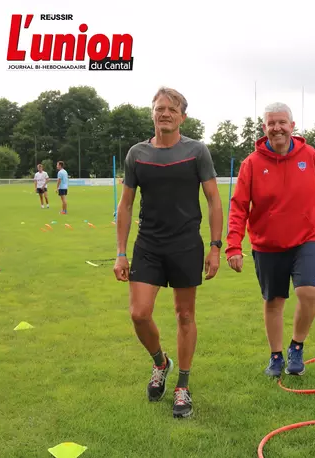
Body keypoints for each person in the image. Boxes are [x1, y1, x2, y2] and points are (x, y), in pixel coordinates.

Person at [113, 86, 223, 419]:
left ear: (182, 117)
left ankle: (182, 387)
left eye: (171, 110)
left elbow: (215, 200)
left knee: (184, 315)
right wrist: (120, 252)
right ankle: (161, 362)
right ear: (153, 113)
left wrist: (215, 246)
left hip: (186, 244)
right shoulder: (137, 154)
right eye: (159, 108)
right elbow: (126, 204)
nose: (165, 114)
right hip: (148, 245)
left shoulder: (197, 151)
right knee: (139, 313)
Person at [225, 102, 315, 378]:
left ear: (292, 126)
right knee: (274, 301)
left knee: (308, 292)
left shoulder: (310, 156)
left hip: (307, 239)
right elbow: (239, 207)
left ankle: (297, 347)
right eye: (271, 123)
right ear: (264, 128)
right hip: (267, 244)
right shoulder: (252, 164)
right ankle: (276, 356)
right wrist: (233, 246)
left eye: (282, 122)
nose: (277, 128)